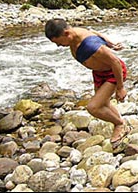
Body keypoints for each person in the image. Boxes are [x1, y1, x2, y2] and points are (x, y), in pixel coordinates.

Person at [44, 18, 130, 150]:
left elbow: (115, 62)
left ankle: (119, 124)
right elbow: (94, 32)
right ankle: (123, 125)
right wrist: (111, 43)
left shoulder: (90, 45)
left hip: (112, 73)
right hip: (99, 72)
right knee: (104, 103)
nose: (58, 46)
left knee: (93, 107)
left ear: (66, 33)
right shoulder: (76, 32)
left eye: (58, 42)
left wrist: (120, 87)